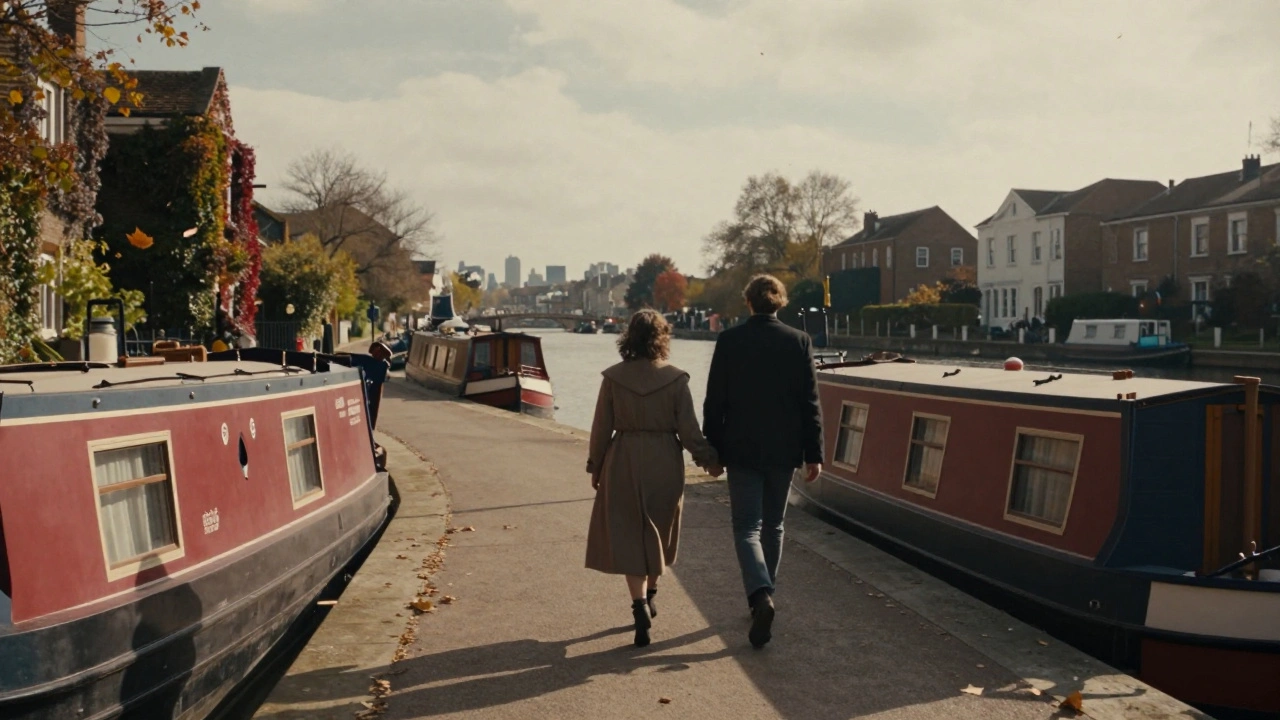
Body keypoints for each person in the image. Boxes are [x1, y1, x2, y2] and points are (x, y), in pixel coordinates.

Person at [585, 309, 719, 648]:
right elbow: (689, 431)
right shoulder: (676, 379)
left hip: (624, 458)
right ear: (662, 337)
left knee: (630, 534)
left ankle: (639, 603)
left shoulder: (613, 378)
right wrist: (709, 460)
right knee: (659, 531)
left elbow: (601, 428)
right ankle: (653, 593)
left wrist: (596, 466)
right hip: (663, 460)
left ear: (629, 336)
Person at [703, 274, 823, 649]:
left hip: (741, 449)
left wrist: (714, 450)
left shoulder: (729, 341)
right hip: (784, 450)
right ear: (780, 303)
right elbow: (810, 404)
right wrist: (814, 453)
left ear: (749, 302)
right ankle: (764, 594)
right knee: (773, 526)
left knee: (746, 527)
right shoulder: (799, 341)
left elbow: (714, 402)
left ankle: (760, 596)